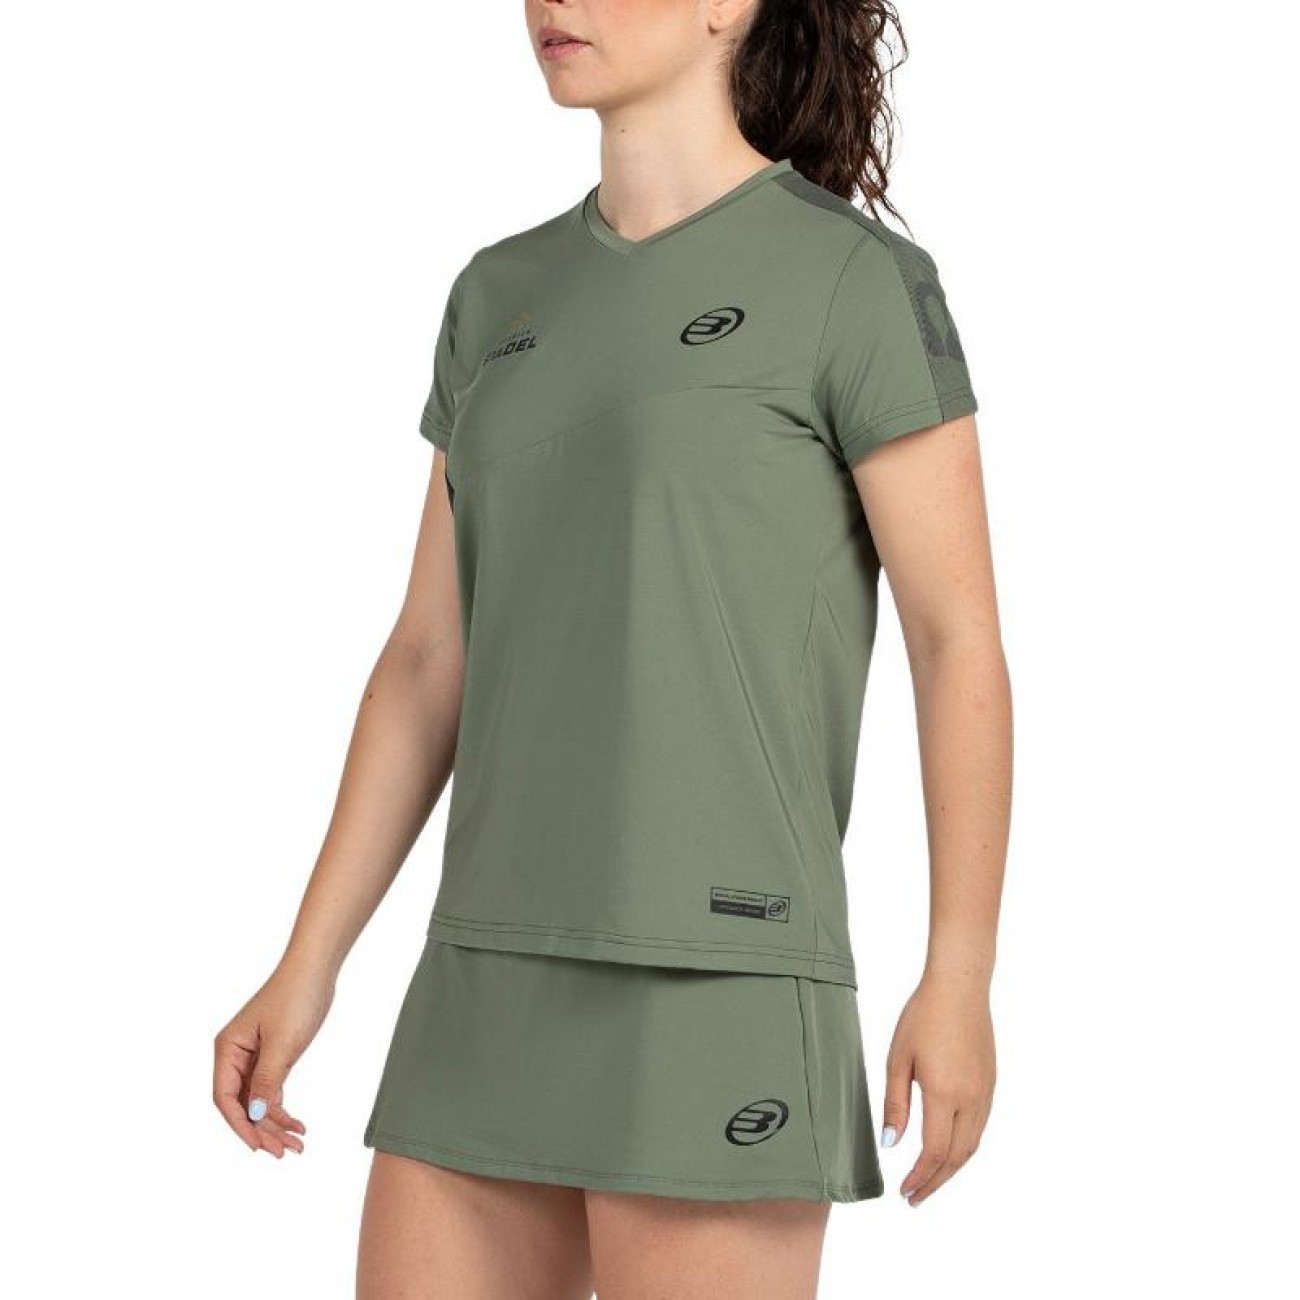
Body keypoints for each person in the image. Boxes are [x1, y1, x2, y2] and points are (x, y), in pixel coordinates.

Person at [212, 0, 1012, 1295]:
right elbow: (427, 659)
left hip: (718, 976)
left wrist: (958, 972)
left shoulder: (854, 283)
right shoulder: (497, 295)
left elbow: (954, 636)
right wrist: (307, 965)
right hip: (485, 972)